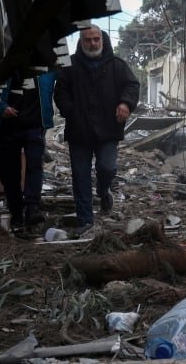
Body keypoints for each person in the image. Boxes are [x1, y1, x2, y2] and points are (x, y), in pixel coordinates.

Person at [54, 25, 140, 232]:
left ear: (102, 40)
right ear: (81, 42)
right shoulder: (70, 66)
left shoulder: (117, 65)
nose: (92, 44)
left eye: (96, 39)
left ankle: (103, 191)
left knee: (107, 167)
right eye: (88, 40)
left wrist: (125, 104)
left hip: (108, 130)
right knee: (80, 174)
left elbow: (132, 85)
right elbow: (61, 92)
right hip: (79, 131)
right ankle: (85, 220)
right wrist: (70, 111)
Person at [0, 69, 57, 231]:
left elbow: (69, 81)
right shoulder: (6, 64)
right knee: (8, 173)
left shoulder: (48, 67)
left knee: (35, 165)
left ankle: (32, 208)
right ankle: (16, 211)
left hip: (34, 125)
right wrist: (0, 108)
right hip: (7, 127)